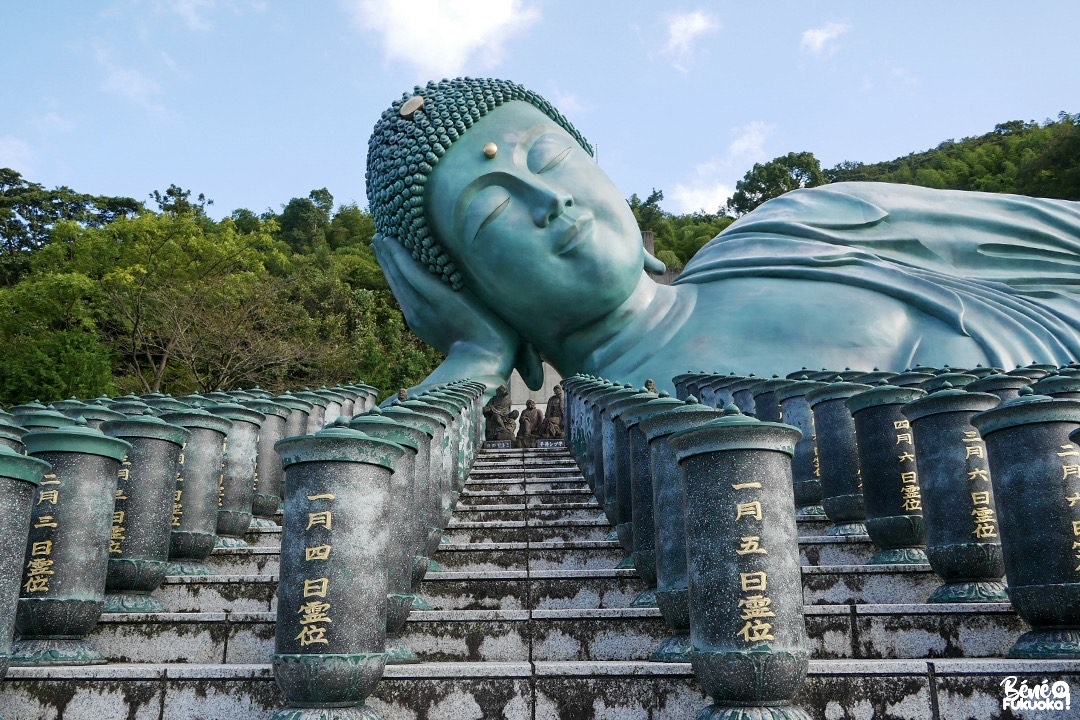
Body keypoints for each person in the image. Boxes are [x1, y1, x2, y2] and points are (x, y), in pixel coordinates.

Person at [368, 78, 1080, 395]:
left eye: (551, 160)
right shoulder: (596, 436)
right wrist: (473, 354)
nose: (548, 200)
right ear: (463, 289)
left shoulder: (797, 230)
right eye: (491, 215)